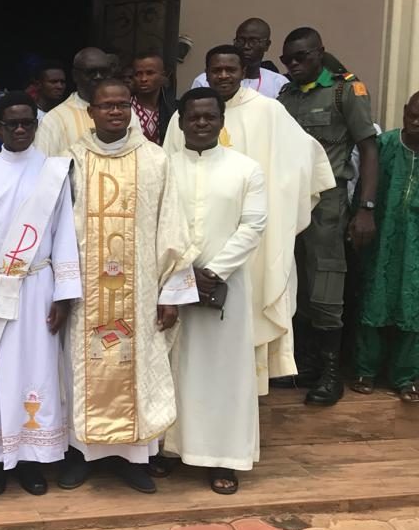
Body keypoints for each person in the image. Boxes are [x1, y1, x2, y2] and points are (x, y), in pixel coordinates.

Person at [164, 46, 334, 394]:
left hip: (249, 236)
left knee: (246, 311)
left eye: (231, 69)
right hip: (191, 246)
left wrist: (282, 197)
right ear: (206, 72)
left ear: (244, 71)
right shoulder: (186, 113)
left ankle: (241, 397)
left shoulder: (269, 111)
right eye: (216, 70)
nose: (223, 76)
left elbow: (307, 159)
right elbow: (167, 181)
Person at [59, 79, 198, 494]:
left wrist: (171, 291)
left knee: (135, 366)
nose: (115, 112)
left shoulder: (155, 161)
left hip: (137, 295)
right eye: (107, 106)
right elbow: (57, 230)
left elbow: (172, 227)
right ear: (92, 112)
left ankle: (133, 458)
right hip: (86, 294)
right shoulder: (70, 161)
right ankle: (81, 454)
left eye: (123, 105)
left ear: (132, 109)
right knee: (82, 369)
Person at [0, 91, 81, 496]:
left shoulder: (54, 171)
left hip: (39, 287)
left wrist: (65, 294)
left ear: (36, 124)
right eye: (11, 123)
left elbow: (65, 232)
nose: (19, 130)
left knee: (38, 369)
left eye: (27, 123)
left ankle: (33, 460)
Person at [165, 88, 267, 494]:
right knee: (175, 370)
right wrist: (185, 270)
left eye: (210, 117)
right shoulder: (164, 166)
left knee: (224, 375)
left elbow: (254, 225)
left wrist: (214, 271)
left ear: (222, 121)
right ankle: (171, 449)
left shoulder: (246, 169)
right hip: (172, 283)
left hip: (227, 287)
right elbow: (154, 223)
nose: (202, 123)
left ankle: (225, 458)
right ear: (181, 121)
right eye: (194, 117)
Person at [278, 27, 378, 406]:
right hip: (291, 200)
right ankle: (306, 365)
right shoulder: (286, 95)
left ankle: (332, 372)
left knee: (326, 282)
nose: (293, 65)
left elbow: (368, 149)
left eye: (301, 57)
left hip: (330, 201)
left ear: (319, 53)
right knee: (297, 279)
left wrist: (366, 208)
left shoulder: (344, 90)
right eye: (288, 59)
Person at [351, 92, 419, 401]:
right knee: (374, 298)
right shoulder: (385, 146)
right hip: (382, 236)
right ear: (404, 111)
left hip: (415, 244)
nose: (416, 123)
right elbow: (363, 191)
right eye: (412, 115)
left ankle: (406, 376)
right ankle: (365, 368)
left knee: (413, 306)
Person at [35, 47, 119, 157]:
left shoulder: (125, 113)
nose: (98, 77)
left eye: (103, 72)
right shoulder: (55, 119)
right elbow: (43, 166)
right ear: (75, 75)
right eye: (91, 72)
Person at [191, 19, 289, 98]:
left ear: (267, 45)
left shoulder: (279, 83)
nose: (246, 46)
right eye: (241, 40)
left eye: (253, 41)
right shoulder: (204, 80)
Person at [130, 52, 176, 145]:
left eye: (149, 73)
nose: (143, 79)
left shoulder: (173, 108)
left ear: (163, 75)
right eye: (138, 74)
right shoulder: (126, 107)